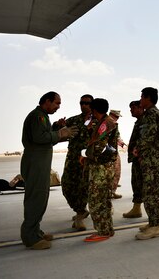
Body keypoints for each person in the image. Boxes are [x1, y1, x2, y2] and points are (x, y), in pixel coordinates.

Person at [20, 92, 77, 250]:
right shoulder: (38, 116)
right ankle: (30, 238)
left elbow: (44, 137)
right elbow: (40, 138)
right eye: (57, 103)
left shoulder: (42, 116)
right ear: (47, 101)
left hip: (39, 163)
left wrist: (56, 128)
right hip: (36, 163)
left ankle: (35, 232)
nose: (58, 106)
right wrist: (60, 133)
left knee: (40, 198)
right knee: (36, 199)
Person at [81, 98, 119, 242]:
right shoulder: (105, 122)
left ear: (94, 110)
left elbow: (99, 147)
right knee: (104, 200)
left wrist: (85, 155)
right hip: (105, 166)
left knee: (96, 201)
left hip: (101, 168)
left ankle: (103, 231)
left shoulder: (105, 124)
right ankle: (107, 229)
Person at [135, 87, 159, 240]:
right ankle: (154, 222)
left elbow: (148, 137)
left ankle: (156, 226)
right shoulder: (154, 113)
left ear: (148, 98)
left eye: (142, 97)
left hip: (154, 160)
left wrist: (138, 149)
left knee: (150, 192)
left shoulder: (151, 114)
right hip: (154, 159)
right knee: (150, 191)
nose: (140, 100)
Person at [61, 94, 94, 231]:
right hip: (73, 159)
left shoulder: (98, 121)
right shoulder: (74, 120)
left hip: (88, 160)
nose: (83, 105)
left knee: (84, 187)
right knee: (67, 185)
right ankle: (80, 210)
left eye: (86, 103)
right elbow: (57, 132)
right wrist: (59, 126)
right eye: (81, 103)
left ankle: (80, 213)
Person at [122, 100, 145, 219]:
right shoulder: (139, 122)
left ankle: (158, 206)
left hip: (141, 159)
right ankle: (136, 208)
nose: (131, 110)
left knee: (143, 184)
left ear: (140, 108)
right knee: (136, 183)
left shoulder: (145, 122)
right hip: (136, 159)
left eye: (133, 108)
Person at [109, 109, 123, 199]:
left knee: (116, 171)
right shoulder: (105, 122)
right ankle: (108, 192)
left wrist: (120, 142)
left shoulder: (114, 124)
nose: (117, 118)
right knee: (110, 173)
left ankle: (112, 192)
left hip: (113, 151)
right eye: (116, 116)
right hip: (107, 152)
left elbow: (117, 136)